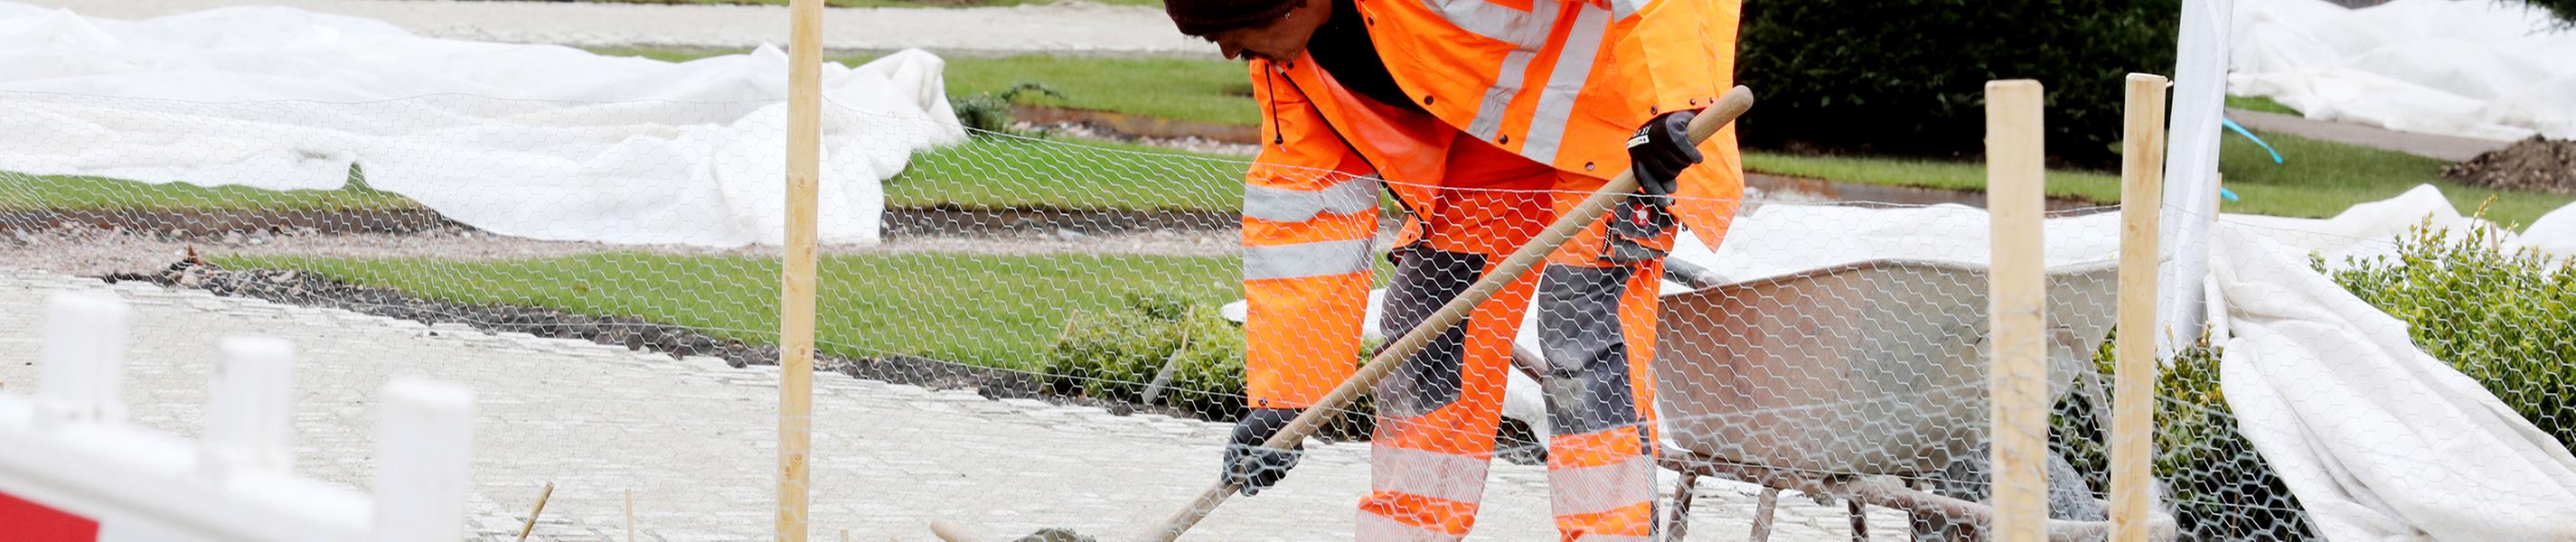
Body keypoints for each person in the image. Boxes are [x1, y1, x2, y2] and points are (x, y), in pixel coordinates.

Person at [1164, 0, 1744, 539]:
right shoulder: (1292, 66)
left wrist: (1672, 104)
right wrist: (1286, 401)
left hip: (1621, 125)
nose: (1230, 52)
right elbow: (1309, 217)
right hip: (1492, 142)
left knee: (1584, 341)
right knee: (1429, 332)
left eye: (1232, 34)